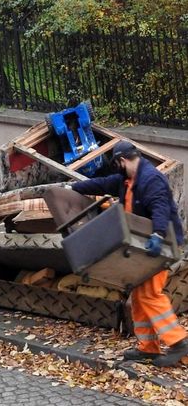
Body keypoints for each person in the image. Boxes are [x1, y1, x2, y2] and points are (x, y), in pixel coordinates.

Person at [70, 140, 188, 367]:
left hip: (160, 244)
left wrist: (158, 235)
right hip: (141, 243)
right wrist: (74, 188)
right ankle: (148, 349)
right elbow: (102, 183)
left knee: (151, 294)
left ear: (122, 161)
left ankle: (179, 341)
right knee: (139, 296)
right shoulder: (127, 180)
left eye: (117, 165)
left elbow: (160, 208)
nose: (117, 170)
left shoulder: (150, 179)